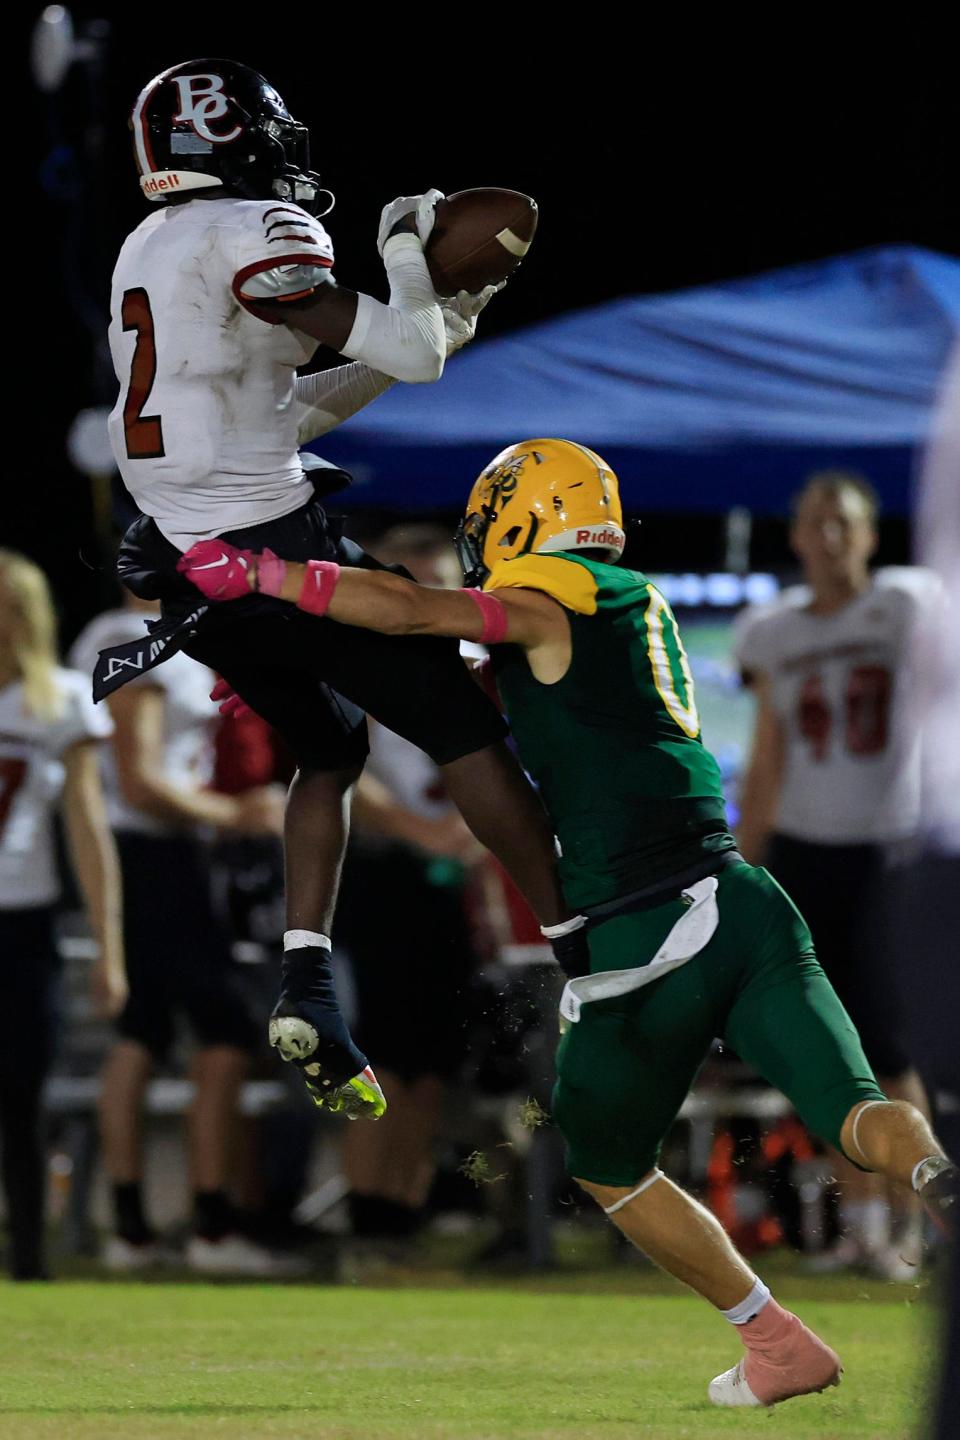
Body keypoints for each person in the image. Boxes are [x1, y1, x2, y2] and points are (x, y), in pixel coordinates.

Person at [177, 438, 958, 1410]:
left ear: (520, 513)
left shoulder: (554, 593)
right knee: (855, 1112)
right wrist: (297, 658)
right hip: (748, 906)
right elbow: (441, 656)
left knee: (607, 1163)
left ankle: (775, 1338)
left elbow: (415, 610)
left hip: (644, 935)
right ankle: (933, 1174)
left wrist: (268, 579)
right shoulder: (625, 603)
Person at [93, 58, 573, 1120]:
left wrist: (438, 324)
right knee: (466, 731)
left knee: (332, 748)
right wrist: (409, 257)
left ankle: (306, 979)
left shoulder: (150, 246)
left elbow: (284, 414)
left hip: (184, 564)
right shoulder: (262, 226)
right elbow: (409, 356)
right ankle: (588, 959)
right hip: (270, 544)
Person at [735, 472, 940, 1279]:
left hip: (891, 850)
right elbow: (770, 752)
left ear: (870, 535)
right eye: (814, 523)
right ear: (792, 536)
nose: (828, 538)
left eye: (843, 524)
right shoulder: (772, 630)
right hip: (805, 851)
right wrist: (746, 860)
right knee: (828, 1051)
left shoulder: (909, 606)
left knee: (891, 1047)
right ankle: (861, 1228)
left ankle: (919, 1225)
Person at [69, 595, 305, 1275]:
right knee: (223, 1034)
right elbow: (140, 783)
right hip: (150, 855)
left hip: (161, 856)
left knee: (144, 1033)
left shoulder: (161, 636)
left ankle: (136, 1228)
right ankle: (206, 1225)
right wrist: (236, 815)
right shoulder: (129, 635)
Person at [0, 551, 126, 1280]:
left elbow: (88, 829)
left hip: (23, 919)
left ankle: (27, 1262)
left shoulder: (59, 701)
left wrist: (109, 947)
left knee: (22, 1099)